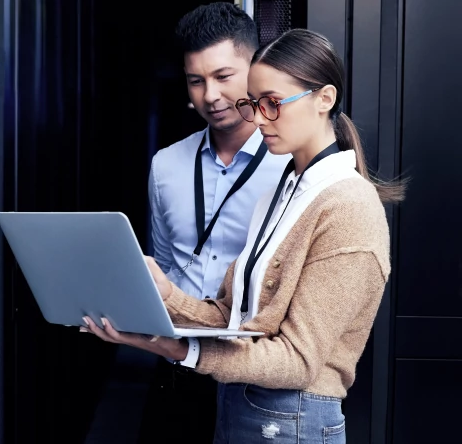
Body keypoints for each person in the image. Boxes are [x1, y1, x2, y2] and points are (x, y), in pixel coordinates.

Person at [82, 28, 405, 443]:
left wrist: (181, 350)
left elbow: (298, 362)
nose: (258, 118)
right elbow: (235, 319)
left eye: (273, 103)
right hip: (243, 406)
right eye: (254, 104)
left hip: (293, 420)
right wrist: (164, 295)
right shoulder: (285, 189)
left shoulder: (348, 205)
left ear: (325, 99)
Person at [141, 3, 289, 442]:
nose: (210, 95)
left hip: (256, 368)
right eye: (196, 80)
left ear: (256, 69)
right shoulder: (165, 164)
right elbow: (165, 263)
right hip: (176, 362)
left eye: (223, 77)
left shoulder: (289, 163)